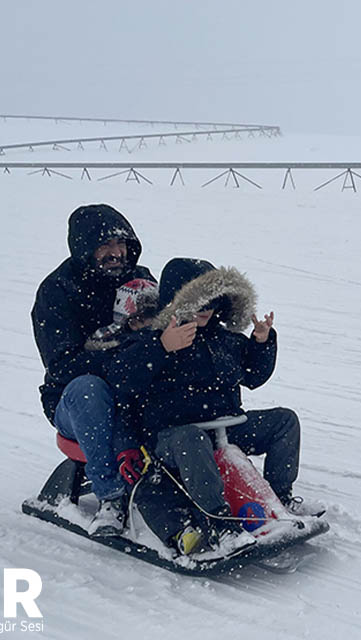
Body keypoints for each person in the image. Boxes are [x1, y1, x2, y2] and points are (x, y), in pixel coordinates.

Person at [109, 258, 324, 541]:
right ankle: (217, 521)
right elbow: (122, 379)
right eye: (198, 303)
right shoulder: (154, 338)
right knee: (192, 439)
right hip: (173, 438)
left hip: (225, 428)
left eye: (211, 303)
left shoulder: (223, 339)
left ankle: (279, 499)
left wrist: (262, 343)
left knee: (284, 421)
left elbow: (253, 376)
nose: (206, 311)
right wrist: (161, 347)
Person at [31, 204, 154, 536]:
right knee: (90, 388)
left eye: (121, 244)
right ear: (85, 248)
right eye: (105, 245)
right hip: (72, 401)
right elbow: (62, 365)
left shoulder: (138, 280)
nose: (116, 253)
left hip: (128, 389)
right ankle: (111, 497)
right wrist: (125, 351)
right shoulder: (57, 291)